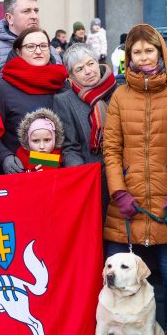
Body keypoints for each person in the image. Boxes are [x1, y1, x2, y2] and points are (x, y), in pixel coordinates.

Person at [103, 23, 167, 335]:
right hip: (127, 205)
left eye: (148, 51)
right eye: (136, 52)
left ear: (160, 52)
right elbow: (110, 148)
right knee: (114, 273)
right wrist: (118, 190)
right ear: (129, 58)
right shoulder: (120, 96)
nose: (143, 58)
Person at [0, 27, 68, 174]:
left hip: (60, 174)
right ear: (18, 51)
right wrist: (4, 157)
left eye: (43, 46)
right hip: (20, 174)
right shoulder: (2, 89)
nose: (38, 51)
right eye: (31, 47)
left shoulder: (63, 85)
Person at [53, 43, 116, 215]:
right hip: (93, 178)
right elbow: (70, 147)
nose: (88, 71)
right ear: (71, 76)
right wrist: (85, 177)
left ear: (98, 62)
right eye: (79, 69)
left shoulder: (119, 90)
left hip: (124, 173)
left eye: (90, 63)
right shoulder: (64, 101)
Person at [0, 0, 61, 83]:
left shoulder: (51, 51)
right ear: (9, 18)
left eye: (36, 11)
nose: (34, 16)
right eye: (26, 11)